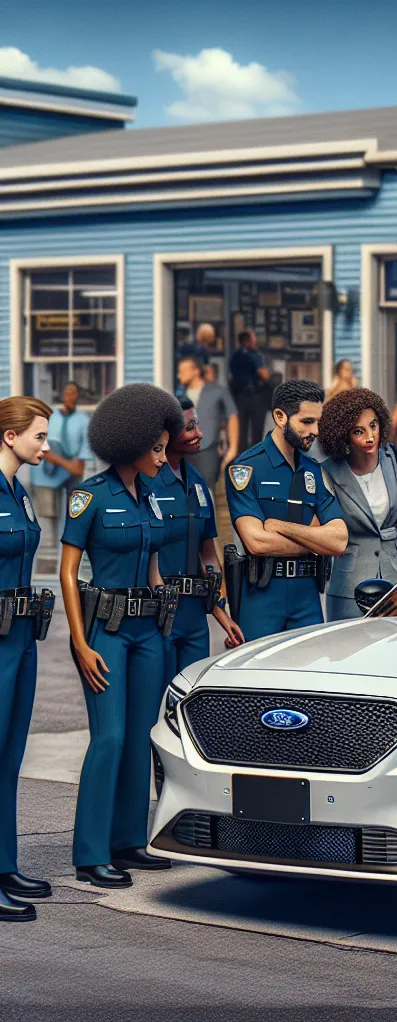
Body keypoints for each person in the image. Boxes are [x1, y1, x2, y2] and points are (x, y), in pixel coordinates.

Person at [60, 384, 185, 889]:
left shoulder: (153, 494)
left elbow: (153, 562)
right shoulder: (89, 496)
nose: (162, 455)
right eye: (154, 448)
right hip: (105, 630)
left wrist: (164, 615)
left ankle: (129, 840)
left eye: (164, 446)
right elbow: (69, 573)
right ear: (126, 443)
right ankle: (91, 852)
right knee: (109, 737)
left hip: (147, 632)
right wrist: (79, 642)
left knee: (141, 737)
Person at [225, 380, 348, 641]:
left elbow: (338, 540)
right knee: (257, 678)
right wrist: (315, 540)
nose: (315, 430)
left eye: (318, 421)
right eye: (306, 421)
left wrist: (281, 527)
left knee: (309, 676)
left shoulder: (314, 470)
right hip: (261, 594)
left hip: (307, 597)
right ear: (280, 417)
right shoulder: (246, 469)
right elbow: (256, 541)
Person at [144, 398, 244, 683]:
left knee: (189, 699)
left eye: (197, 424)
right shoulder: (144, 479)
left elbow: (208, 554)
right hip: (159, 616)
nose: (199, 433)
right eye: (190, 427)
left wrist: (223, 617)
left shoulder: (198, 482)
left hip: (195, 619)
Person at [0, 397, 54, 922]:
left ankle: (4, 863)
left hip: (20, 636)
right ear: (10, 436)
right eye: (39, 435)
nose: (46, 445)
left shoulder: (20, 492)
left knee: (10, 755)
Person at [318, 389, 397, 620]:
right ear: (343, 435)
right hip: (349, 585)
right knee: (348, 650)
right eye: (359, 431)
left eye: (374, 425)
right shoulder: (328, 471)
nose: (370, 437)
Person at [29, 380, 91, 538]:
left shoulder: (83, 420)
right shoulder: (51, 418)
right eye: (67, 392)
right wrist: (64, 463)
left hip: (73, 474)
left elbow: (84, 450)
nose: (69, 396)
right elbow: (44, 445)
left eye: (73, 393)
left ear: (78, 396)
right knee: (49, 518)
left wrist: (75, 465)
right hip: (51, 472)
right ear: (62, 395)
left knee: (73, 515)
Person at [176, 356, 239, 493]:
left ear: (195, 371)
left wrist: (233, 448)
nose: (178, 375)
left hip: (207, 451)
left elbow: (232, 416)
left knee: (206, 494)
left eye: (182, 371)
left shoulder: (217, 391)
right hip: (183, 452)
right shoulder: (179, 395)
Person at [229, 329, 271, 450]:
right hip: (255, 395)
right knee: (257, 430)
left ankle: (242, 457)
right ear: (247, 341)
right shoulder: (255, 356)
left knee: (241, 430)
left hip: (240, 396)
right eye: (253, 339)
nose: (255, 341)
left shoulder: (235, 356)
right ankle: (254, 455)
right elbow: (264, 375)